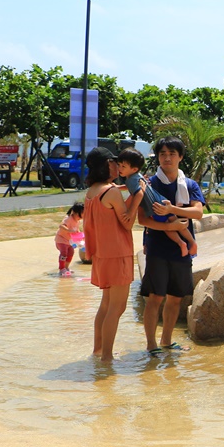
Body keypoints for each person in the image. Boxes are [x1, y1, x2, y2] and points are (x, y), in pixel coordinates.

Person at [138, 137, 205, 355]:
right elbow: (143, 220)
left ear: (181, 157)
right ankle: (151, 344)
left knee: (176, 297)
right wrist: (168, 227)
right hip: (157, 248)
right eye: (162, 154)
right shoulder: (149, 184)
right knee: (155, 297)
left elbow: (198, 212)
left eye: (172, 154)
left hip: (181, 249)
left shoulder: (191, 185)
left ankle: (166, 341)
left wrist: (171, 211)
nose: (167, 158)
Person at [83, 149, 136, 362]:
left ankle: (98, 350)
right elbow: (128, 222)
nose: (119, 166)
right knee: (118, 307)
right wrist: (138, 196)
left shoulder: (92, 191)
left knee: (106, 305)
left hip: (102, 255)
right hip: (118, 253)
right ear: (107, 164)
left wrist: (127, 187)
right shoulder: (111, 192)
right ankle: (107, 357)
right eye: (115, 162)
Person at [117, 148, 198, 258]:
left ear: (134, 169)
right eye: (119, 165)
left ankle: (181, 243)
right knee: (174, 221)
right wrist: (118, 187)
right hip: (161, 200)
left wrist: (131, 212)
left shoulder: (131, 179)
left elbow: (139, 194)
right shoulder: (136, 176)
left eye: (123, 166)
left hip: (155, 207)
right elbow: (131, 187)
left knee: (167, 228)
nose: (119, 169)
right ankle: (192, 242)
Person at [54, 202, 84, 277]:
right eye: (81, 214)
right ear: (75, 213)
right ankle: (61, 269)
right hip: (61, 239)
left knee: (71, 252)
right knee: (64, 253)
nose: (82, 217)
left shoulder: (77, 221)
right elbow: (61, 226)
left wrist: (80, 236)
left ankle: (66, 267)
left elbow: (76, 230)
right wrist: (69, 230)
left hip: (69, 241)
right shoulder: (68, 219)